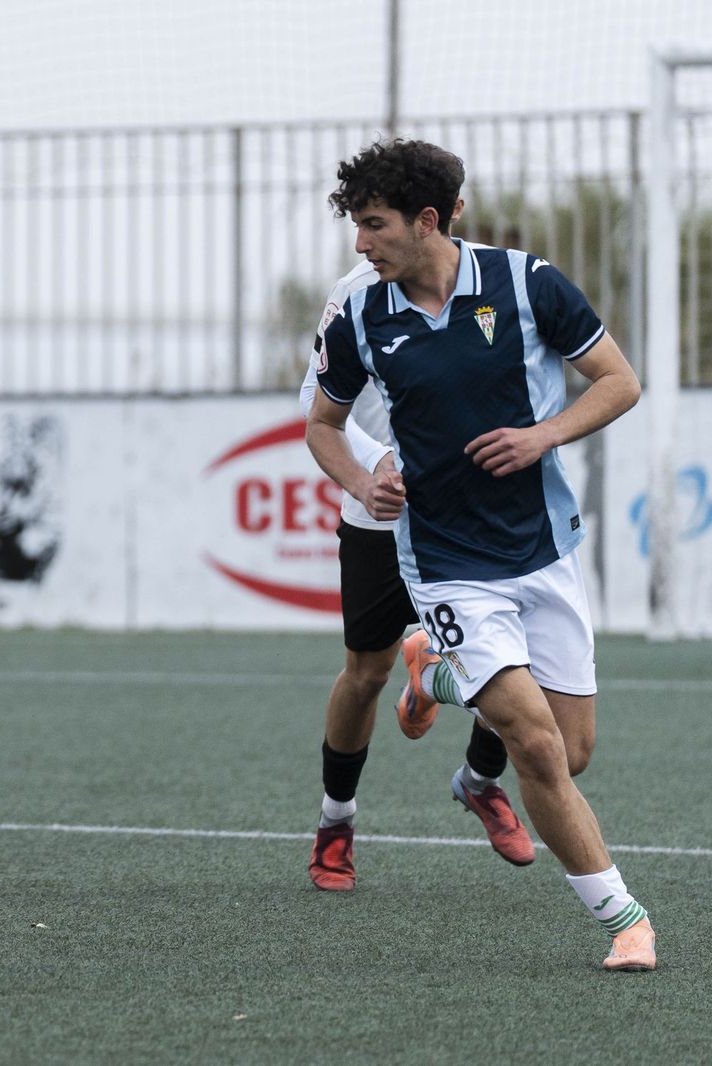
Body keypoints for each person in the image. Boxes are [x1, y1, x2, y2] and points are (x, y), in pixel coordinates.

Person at [307, 139, 654, 971]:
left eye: (374, 225)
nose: (362, 243)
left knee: (570, 754)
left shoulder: (526, 284)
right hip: (447, 562)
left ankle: (436, 675)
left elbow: (618, 381)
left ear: (428, 221)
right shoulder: (361, 313)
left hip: (544, 551)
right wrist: (363, 483)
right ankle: (626, 921)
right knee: (533, 748)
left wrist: (545, 435)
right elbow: (322, 424)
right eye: (357, 226)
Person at [300, 249, 534, 893]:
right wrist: (373, 467)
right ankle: (335, 823)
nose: (363, 241)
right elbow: (314, 404)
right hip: (382, 517)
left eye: (375, 221)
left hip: (467, 514)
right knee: (365, 671)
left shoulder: (491, 282)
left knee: (513, 658)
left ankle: (480, 782)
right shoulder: (354, 294)